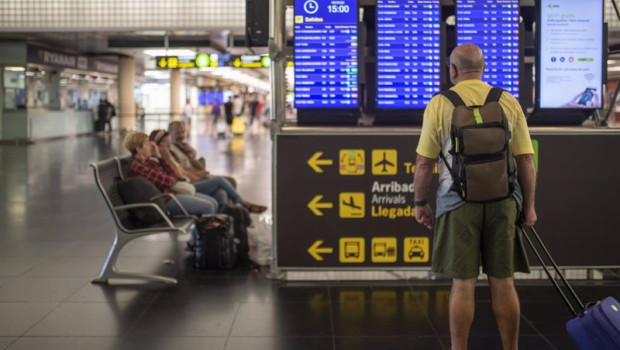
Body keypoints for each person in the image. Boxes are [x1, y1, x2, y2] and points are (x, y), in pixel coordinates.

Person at [413, 44, 537, 350]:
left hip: (457, 205)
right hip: (503, 202)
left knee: (463, 283)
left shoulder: (440, 104)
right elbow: (525, 160)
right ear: (483, 68)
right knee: (504, 281)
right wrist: (529, 206)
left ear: (453, 70)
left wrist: (420, 203)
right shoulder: (507, 101)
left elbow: (424, 163)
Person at [150, 128, 267, 214]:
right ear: (157, 145)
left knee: (221, 192)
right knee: (220, 181)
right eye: (166, 143)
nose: (168, 146)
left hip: (189, 180)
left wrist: (196, 172)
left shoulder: (172, 150)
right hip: (183, 187)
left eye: (169, 143)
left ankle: (223, 225)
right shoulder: (163, 157)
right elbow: (178, 175)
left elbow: (186, 166)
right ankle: (242, 203)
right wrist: (167, 158)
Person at [123, 131, 218, 216]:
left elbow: (171, 173)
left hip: (169, 194)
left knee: (213, 202)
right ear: (139, 149)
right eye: (147, 144)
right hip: (163, 200)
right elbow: (166, 181)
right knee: (209, 206)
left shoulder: (148, 162)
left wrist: (159, 157)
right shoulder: (137, 167)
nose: (151, 146)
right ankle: (206, 233)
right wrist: (173, 180)